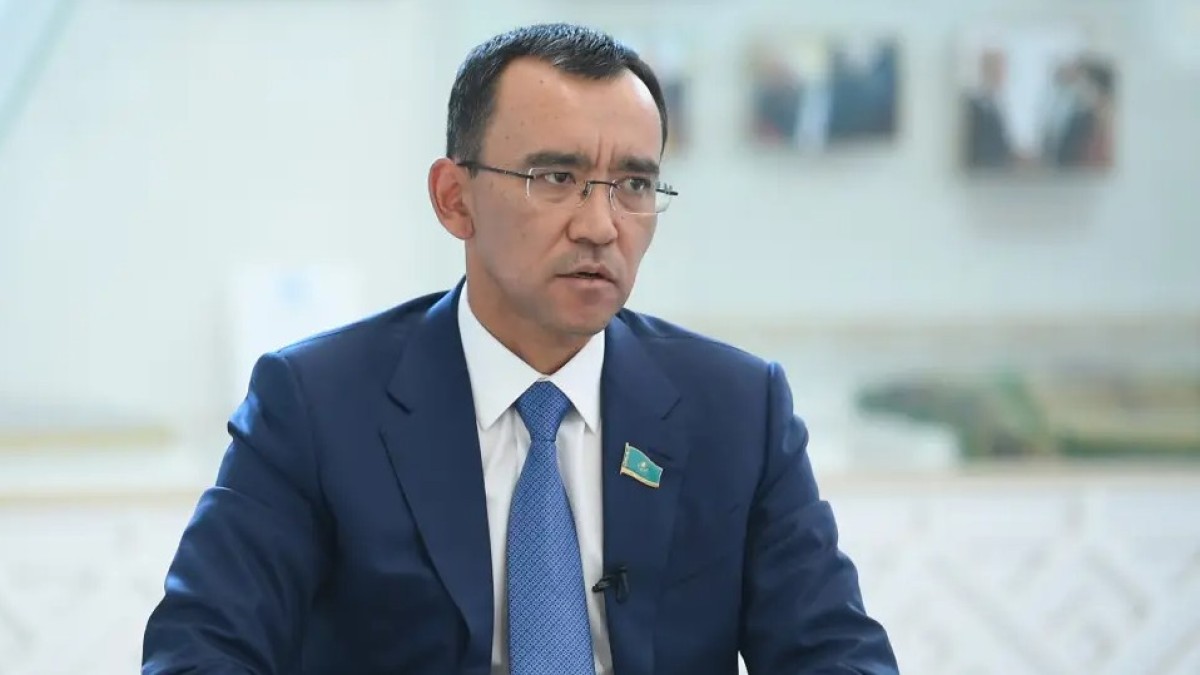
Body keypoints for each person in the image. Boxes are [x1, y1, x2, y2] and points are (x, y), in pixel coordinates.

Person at [142, 23, 898, 675]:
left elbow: (836, 653)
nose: (600, 226)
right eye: (557, 177)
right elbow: (198, 650)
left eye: (633, 184)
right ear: (454, 199)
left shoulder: (736, 407)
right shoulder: (316, 405)